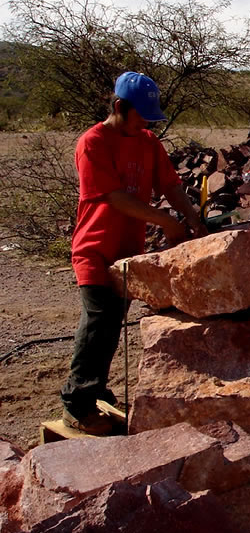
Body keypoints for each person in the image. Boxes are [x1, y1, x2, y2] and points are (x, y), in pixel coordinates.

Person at [61, 72, 206, 434]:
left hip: (128, 252)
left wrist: (191, 217)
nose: (146, 124)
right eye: (141, 116)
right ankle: (76, 405)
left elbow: (170, 184)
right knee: (97, 325)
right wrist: (166, 223)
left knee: (111, 328)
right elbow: (114, 197)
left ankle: (97, 391)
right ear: (119, 107)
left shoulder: (147, 142)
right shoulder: (93, 142)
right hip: (95, 249)